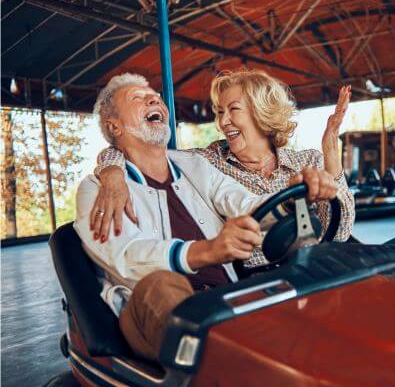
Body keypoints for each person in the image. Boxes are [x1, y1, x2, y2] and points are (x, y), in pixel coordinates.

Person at [74, 73, 337, 361]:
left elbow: (244, 203)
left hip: (224, 299)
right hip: (152, 312)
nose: (153, 99)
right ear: (114, 126)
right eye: (136, 98)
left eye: (156, 97)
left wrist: (293, 197)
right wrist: (207, 251)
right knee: (159, 283)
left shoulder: (194, 164)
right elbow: (125, 254)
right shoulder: (97, 189)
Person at [90, 68, 355, 267]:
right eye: (219, 112)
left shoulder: (306, 163)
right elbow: (141, 150)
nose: (223, 121)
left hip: (313, 268)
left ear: (260, 113)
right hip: (256, 280)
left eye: (233, 109)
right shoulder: (208, 163)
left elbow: (340, 234)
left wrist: (331, 151)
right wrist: (112, 172)